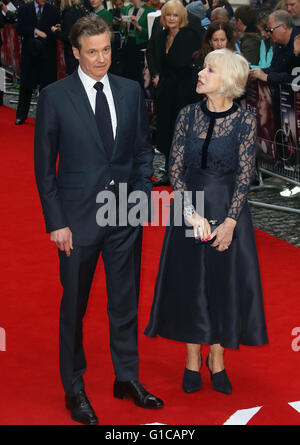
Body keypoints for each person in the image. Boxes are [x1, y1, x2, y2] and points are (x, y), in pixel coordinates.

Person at [34, 14, 163, 425]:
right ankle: (75, 389)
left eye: (106, 50)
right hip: (76, 223)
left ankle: (126, 378)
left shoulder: (128, 91)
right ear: (75, 52)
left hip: (125, 217)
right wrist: (57, 221)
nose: (101, 59)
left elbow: (143, 151)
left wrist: (140, 197)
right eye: (92, 52)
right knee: (74, 307)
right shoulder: (55, 96)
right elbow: (44, 168)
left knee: (124, 304)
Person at [145, 48, 269, 395]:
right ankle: (191, 360)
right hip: (190, 207)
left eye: (209, 69)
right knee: (190, 285)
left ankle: (217, 358)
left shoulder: (245, 119)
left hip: (229, 210)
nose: (200, 72)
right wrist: (189, 212)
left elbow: (245, 176)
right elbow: (175, 168)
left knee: (221, 284)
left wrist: (230, 222)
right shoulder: (187, 115)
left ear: (227, 81)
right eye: (203, 67)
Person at [150, 0, 202, 186]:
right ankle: (169, 171)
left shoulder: (189, 36)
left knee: (182, 132)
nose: (171, 18)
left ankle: (184, 174)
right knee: (164, 132)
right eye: (168, 15)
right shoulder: (161, 36)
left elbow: (183, 64)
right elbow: (155, 57)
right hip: (165, 93)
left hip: (184, 93)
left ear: (182, 18)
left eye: (175, 15)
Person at [14, 0, 60, 125]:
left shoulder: (53, 10)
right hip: (29, 54)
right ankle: (21, 116)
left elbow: (57, 29)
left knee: (48, 88)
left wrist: (50, 34)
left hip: (47, 54)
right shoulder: (24, 8)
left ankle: (48, 118)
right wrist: (34, 31)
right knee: (26, 86)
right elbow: (19, 28)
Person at [249, 10, 300, 85]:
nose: (269, 33)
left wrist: (267, 77)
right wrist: (257, 72)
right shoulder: (279, 43)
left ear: (283, 27)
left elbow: (295, 77)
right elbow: (275, 69)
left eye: (271, 30)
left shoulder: (298, 40)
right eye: (267, 30)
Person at [120, 0, 155, 83]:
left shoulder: (150, 11)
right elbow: (122, 30)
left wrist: (138, 26)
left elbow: (151, 34)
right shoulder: (125, 9)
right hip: (128, 43)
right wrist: (123, 25)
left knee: (139, 72)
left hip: (141, 45)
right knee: (128, 71)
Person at [51, 0, 87, 75]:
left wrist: (56, 32)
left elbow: (69, 37)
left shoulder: (68, 13)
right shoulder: (80, 10)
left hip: (72, 53)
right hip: (81, 48)